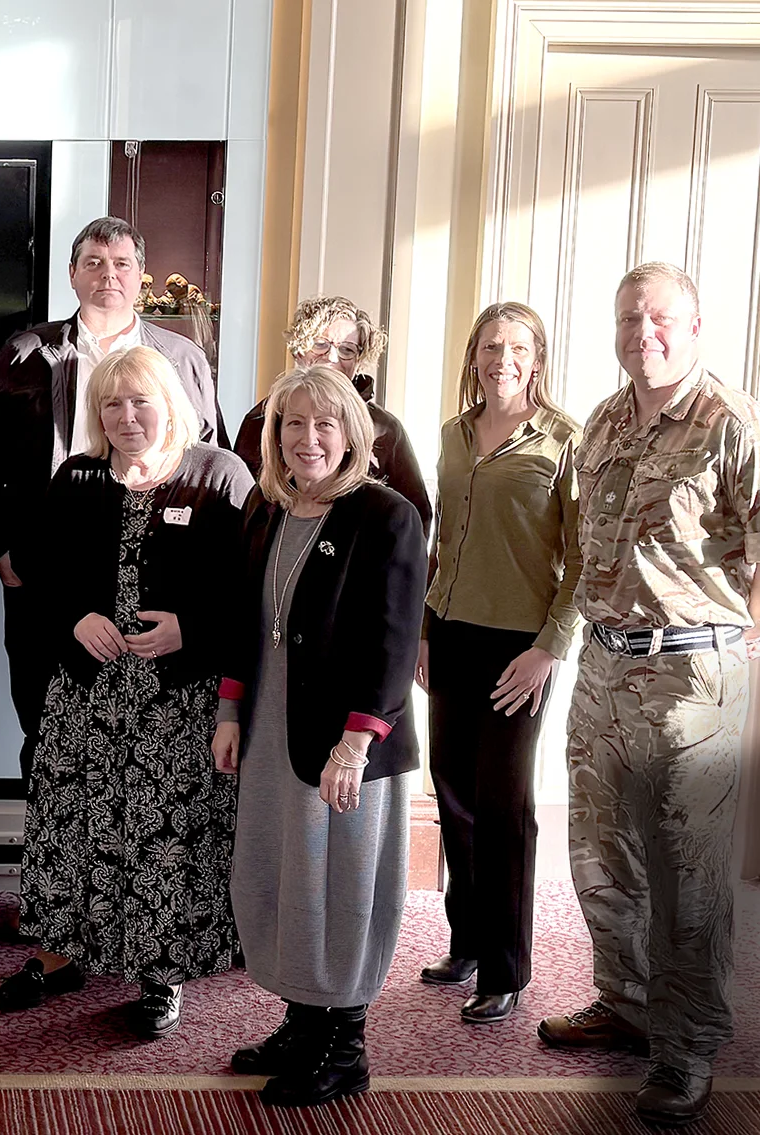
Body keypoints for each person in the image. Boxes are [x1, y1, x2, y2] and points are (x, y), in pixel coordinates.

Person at [537, 263, 759, 1128]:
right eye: (629, 318)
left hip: (690, 678)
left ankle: (687, 1047)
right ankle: (624, 1000)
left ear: (695, 324)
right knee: (600, 856)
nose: (643, 333)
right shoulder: (602, 419)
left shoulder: (728, 422)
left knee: (688, 876)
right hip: (602, 670)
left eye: (660, 318)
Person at [0, 347, 252, 1038]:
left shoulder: (219, 476)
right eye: (112, 404)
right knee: (68, 822)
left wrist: (189, 630)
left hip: (178, 700)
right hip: (86, 695)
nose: (127, 416)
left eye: (140, 400)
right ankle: (59, 955)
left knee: (161, 832)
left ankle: (158, 972)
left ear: (170, 401)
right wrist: (73, 618)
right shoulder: (75, 478)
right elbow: (35, 576)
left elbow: (254, 595)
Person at [212, 364, 424, 1108]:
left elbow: (394, 643)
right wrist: (229, 712)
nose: (307, 439)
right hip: (274, 726)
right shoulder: (269, 508)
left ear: (351, 435)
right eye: (292, 424)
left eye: (323, 425)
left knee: (340, 887)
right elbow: (246, 621)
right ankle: (303, 1023)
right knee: (283, 876)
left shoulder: (385, 514)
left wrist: (354, 743)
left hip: (348, 745)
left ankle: (346, 1046)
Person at [0, 215, 226, 784]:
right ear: (72, 274)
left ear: (141, 276)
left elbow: (209, 459)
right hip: (48, 576)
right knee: (46, 723)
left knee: (158, 736)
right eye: (94, 263)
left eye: (122, 264)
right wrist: (0, 550)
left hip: (155, 578)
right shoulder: (23, 353)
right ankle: (52, 857)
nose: (108, 275)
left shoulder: (182, 357)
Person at [415, 303, 581, 1024]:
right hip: (449, 635)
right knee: (451, 791)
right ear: (472, 357)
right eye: (489, 346)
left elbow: (582, 561)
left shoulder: (564, 441)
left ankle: (507, 966)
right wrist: (423, 628)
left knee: (503, 805)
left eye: (515, 347)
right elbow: (441, 541)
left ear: (535, 358)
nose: (501, 358)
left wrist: (548, 647)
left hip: (519, 648)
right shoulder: (452, 437)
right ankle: (468, 943)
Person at [235, 296, 432, 539]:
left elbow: (415, 516)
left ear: (359, 360)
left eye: (347, 350)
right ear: (299, 349)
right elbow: (243, 505)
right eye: (320, 344)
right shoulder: (261, 420)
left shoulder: (384, 429)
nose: (331, 357)